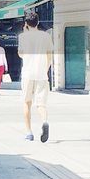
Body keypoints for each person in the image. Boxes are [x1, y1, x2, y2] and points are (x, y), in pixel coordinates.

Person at [18, 11, 53, 142]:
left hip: (28, 73)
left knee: (27, 103)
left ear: (26, 24)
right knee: (41, 104)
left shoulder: (23, 37)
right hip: (41, 73)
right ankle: (44, 121)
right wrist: (46, 68)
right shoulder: (46, 36)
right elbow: (49, 55)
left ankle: (29, 132)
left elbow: (20, 54)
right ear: (38, 22)